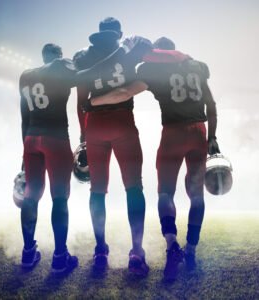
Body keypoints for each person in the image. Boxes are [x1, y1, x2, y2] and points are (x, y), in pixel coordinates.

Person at [90, 37, 221, 281]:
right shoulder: (197, 66)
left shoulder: (154, 69)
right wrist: (212, 136)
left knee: (165, 193)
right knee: (196, 195)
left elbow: (124, 92)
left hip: (173, 134)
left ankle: (172, 244)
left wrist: (95, 100)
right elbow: (211, 106)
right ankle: (191, 249)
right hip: (198, 132)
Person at [73, 17, 152, 276]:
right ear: (119, 34)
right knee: (134, 186)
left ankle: (100, 250)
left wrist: (84, 136)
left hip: (94, 125)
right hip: (123, 123)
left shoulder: (83, 57)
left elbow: (80, 101)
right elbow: (154, 57)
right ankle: (136, 252)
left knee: (97, 191)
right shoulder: (130, 50)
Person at [19, 43, 78, 273]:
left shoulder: (26, 75)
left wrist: (24, 150)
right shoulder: (61, 66)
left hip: (31, 139)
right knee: (60, 198)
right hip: (56, 138)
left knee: (30, 196)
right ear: (58, 57)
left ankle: (27, 253)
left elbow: (24, 116)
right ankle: (60, 256)